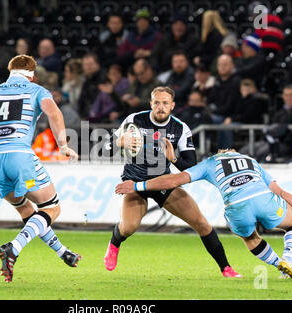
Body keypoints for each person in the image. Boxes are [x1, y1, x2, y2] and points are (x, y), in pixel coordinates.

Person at [116, 149, 292, 280]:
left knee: (249, 237)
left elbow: (173, 181)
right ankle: (288, 260)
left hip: (237, 207)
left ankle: (280, 264)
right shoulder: (251, 161)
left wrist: (137, 186)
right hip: (263, 197)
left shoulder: (210, 163)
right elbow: (282, 193)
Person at [103, 86, 241, 278]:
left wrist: (174, 158)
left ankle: (226, 268)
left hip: (163, 183)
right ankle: (114, 244)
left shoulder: (180, 128)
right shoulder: (134, 120)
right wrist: (118, 142)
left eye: (165, 103)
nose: (161, 107)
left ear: (172, 105)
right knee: (129, 227)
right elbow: (103, 149)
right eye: (157, 102)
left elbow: (190, 167)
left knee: (201, 222)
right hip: (134, 183)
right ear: (151, 104)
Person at [0, 54, 81, 283]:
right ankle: (14, 248)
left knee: (27, 212)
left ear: (10, 72)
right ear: (33, 74)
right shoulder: (37, 90)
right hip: (19, 158)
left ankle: (63, 252)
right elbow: (53, 113)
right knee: (51, 208)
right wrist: (63, 145)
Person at [208, 54, 241, 149]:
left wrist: (213, 112)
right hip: (218, 113)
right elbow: (210, 100)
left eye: (225, 64)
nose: (222, 67)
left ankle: (225, 152)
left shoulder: (236, 81)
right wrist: (210, 110)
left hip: (232, 115)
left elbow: (230, 105)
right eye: (220, 64)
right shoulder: (217, 80)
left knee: (216, 121)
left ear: (232, 66)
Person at [78, 52, 107, 119]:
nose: (88, 67)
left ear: (97, 65)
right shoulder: (86, 81)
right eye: (85, 65)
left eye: (90, 64)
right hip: (87, 117)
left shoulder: (105, 79)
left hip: (100, 119)